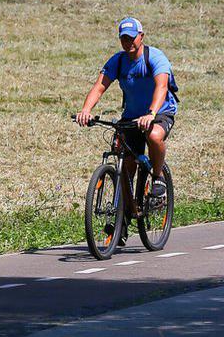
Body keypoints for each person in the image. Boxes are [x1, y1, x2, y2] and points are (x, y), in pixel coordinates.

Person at [75, 17, 178, 226]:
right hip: (132, 116)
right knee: (124, 162)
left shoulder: (155, 57)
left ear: (141, 37)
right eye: (124, 38)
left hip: (159, 111)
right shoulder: (118, 61)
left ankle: (158, 178)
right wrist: (86, 110)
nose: (128, 42)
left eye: (132, 38)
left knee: (154, 135)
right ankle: (126, 214)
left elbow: (161, 87)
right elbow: (99, 87)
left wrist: (151, 113)